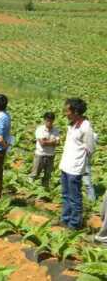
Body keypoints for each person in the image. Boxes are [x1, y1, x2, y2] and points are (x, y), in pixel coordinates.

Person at [59, 98, 96, 230]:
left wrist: (79, 160)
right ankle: (65, 219)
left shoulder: (86, 127)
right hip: (65, 165)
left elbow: (90, 149)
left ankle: (74, 224)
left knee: (74, 198)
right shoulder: (72, 124)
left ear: (75, 111)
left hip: (75, 168)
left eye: (67, 110)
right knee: (65, 195)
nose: (65, 113)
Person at [30, 112, 60, 189]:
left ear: (53, 120)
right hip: (40, 155)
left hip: (50, 155)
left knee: (47, 175)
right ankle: (30, 189)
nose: (49, 122)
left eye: (51, 120)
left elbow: (58, 143)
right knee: (35, 174)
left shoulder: (56, 130)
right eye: (47, 120)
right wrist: (52, 141)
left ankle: (44, 191)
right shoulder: (40, 129)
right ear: (44, 120)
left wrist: (47, 141)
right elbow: (42, 143)